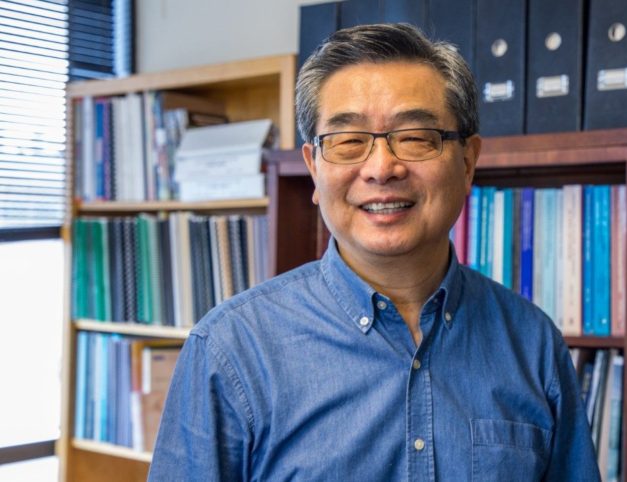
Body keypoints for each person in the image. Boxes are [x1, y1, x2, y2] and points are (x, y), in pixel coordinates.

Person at [148, 23, 600, 481]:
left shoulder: (532, 343)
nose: (382, 168)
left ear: (467, 163)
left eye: (416, 136)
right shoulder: (232, 349)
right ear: (313, 168)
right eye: (348, 141)